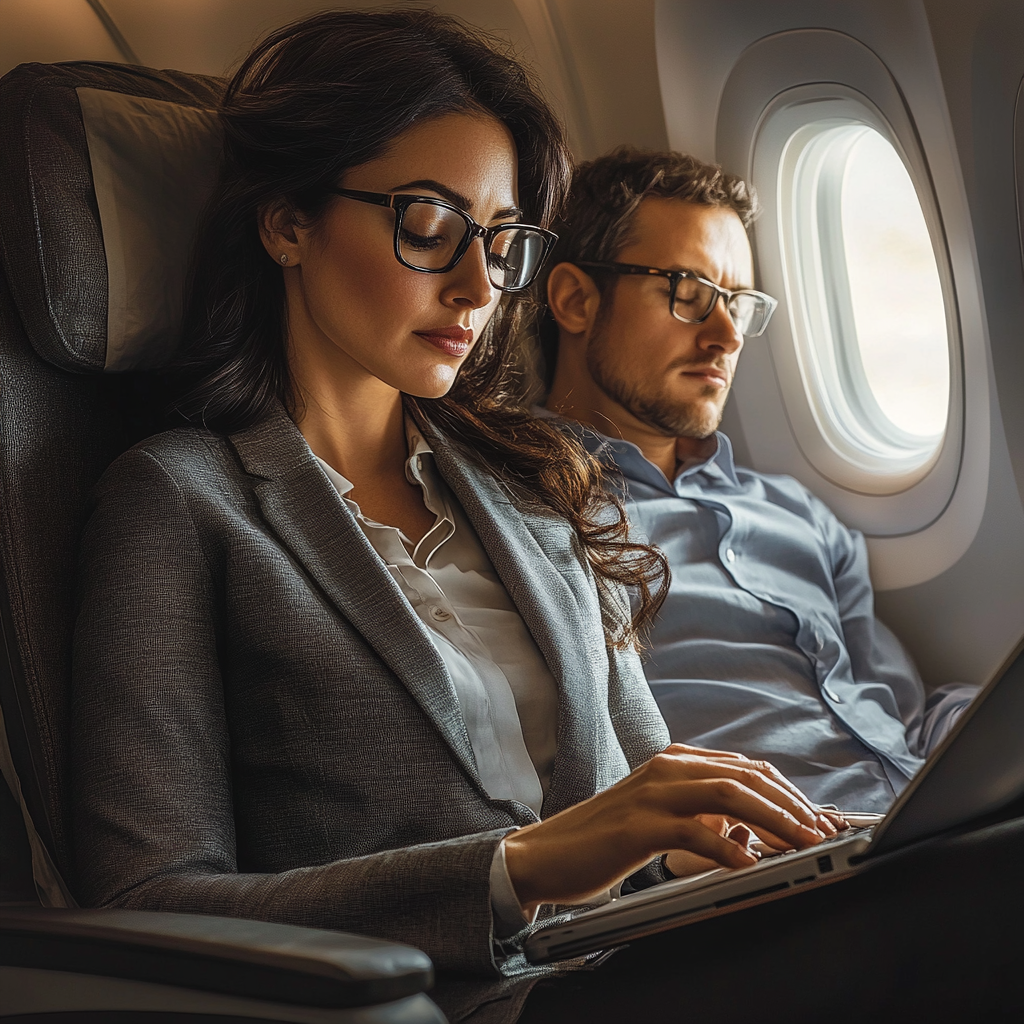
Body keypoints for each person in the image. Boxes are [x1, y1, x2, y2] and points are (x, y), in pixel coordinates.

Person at [69, 12, 840, 978]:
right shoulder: (178, 503)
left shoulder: (538, 484)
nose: (481, 287)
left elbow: (648, 803)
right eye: (430, 227)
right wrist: (515, 870)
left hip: (648, 964)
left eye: (503, 240)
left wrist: (754, 844)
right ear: (287, 222)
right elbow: (148, 900)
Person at [539, 147, 979, 814]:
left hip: (919, 816)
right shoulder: (530, 513)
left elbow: (900, 715)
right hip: (779, 869)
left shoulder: (798, 514)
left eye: (738, 304)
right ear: (575, 300)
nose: (726, 334)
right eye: (689, 294)